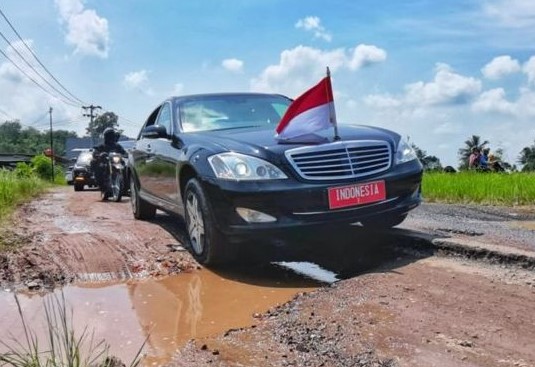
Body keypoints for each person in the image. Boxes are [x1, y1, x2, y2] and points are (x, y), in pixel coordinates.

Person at [91, 128, 127, 192]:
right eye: (109, 135)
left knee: (125, 167)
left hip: (116, 162)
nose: (110, 137)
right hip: (106, 162)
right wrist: (99, 154)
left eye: (111, 135)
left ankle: (126, 186)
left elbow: (123, 152)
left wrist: (125, 154)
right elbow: (95, 151)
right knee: (98, 165)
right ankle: (101, 184)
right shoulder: (101, 146)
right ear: (106, 136)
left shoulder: (117, 146)